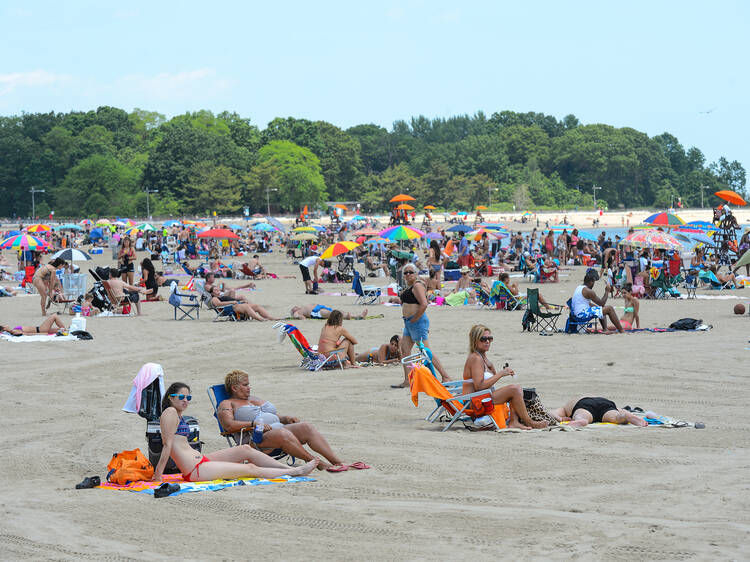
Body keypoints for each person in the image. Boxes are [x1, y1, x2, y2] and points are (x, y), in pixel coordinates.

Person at [152, 382, 317, 482]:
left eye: (188, 398)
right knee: (250, 469)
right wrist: (158, 474)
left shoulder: (177, 414)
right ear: (170, 398)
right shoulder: (169, 413)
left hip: (200, 460)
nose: (185, 401)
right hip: (194, 470)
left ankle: (282, 469)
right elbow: (167, 445)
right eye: (181, 397)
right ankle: (293, 472)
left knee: (245, 450)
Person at [218, 370, 358, 471]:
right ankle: (317, 462)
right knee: (282, 434)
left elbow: (272, 416)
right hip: (255, 439)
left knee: (306, 427)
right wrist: (253, 424)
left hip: (276, 430)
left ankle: (337, 461)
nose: (249, 387)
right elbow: (228, 426)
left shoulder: (254, 399)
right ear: (234, 388)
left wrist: (285, 418)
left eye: (249, 384)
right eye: (245, 385)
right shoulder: (227, 404)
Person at [462, 325, 547, 430]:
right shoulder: (475, 358)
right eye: (483, 339)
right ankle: (529, 422)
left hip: (482, 398)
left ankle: (514, 421)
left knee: (517, 389)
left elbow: (490, 380)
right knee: (514, 389)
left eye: (490, 339)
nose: (487, 341)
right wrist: (501, 373)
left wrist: (491, 366)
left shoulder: (482, 356)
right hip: (474, 403)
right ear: (475, 340)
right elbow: (479, 386)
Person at [393, 263, 451, 388]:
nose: (408, 274)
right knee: (405, 350)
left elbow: (424, 304)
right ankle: (408, 379)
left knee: (425, 351)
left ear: (415, 273)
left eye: (410, 272)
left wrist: (415, 318)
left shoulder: (417, 285)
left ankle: (445, 376)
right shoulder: (409, 286)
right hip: (409, 323)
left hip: (416, 322)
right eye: (406, 272)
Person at [551, 396, 648, 428]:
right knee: (615, 417)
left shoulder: (564, 408)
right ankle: (625, 416)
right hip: (605, 403)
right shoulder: (595, 397)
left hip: (584, 404)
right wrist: (623, 412)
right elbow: (618, 408)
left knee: (582, 415)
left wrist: (561, 418)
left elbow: (551, 413)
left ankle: (581, 420)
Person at [209, 286, 276, 321]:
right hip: (230, 308)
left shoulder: (221, 296)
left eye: (218, 289)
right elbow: (218, 304)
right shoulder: (214, 298)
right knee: (247, 307)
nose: (218, 290)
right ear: (212, 293)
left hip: (235, 305)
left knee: (256, 306)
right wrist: (232, 302)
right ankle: (261, 319)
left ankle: (270, 317)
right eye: (215, 290)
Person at [0, 313, 68, 336]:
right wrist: (43, 334)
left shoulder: (13, 330)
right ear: (4, 329)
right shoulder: (14, 331)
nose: (6, 325)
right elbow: (27, 334)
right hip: (40, 330)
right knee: (54, 316)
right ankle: (64, 329)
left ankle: (65, 330)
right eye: (4, 326)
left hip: (40, 329)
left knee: (58, 330)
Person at [290, 304, 367, 320]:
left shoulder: (301, 307)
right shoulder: (297, 312)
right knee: (334, 314)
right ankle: (354, 316)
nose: (295, 307)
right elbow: (301, 318)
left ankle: (357, 315)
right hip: (316, 312)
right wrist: (296, 315)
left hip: (319, 308)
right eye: (294, 308)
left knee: (337, 311)